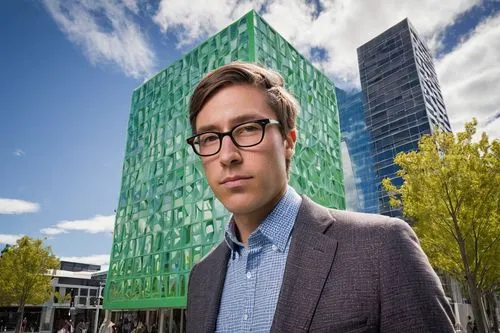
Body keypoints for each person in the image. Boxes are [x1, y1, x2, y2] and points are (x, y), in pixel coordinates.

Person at [185, 62, 455, 332]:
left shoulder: (382, 247)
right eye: (209, 137)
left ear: (288, 141)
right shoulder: (201, 276)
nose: (226, 155)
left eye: (248, 128)